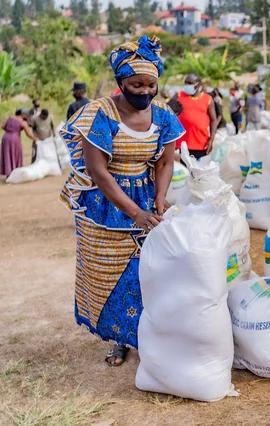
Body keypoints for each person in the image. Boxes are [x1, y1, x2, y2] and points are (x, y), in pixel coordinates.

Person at [59, 35, 185, 366]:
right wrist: (135, 213)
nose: (144, 91)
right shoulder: (100, 113)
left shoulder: (162, 115)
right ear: (120, 82)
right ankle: (120, 338)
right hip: (105, 204)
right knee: (112, 275)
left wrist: (159, 195)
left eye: (150, 85)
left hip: (146, 194)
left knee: (151, 271)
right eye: (136, 84)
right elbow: (98, 172)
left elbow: (166, 161)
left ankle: (150, 336)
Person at [173, 73, 218, 159]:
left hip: (201, 143)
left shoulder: (207, 99)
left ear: (198, 85)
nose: (187, 86)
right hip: (183, 144)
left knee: (199, 170)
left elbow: (214, 120)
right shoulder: (179, 96)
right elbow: (169, 113)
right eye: (186, 83)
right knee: (184, 171)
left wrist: (211, 140)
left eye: (190, 83)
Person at [1, 109, 35, 176]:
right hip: (14, 139)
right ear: (23, 115)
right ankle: (14, 174)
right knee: (15, 155)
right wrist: (35, 138)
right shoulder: (23, 122)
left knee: (7, 155)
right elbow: (28, 134)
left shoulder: (9, 118)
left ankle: (8, 173)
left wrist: (9, 130)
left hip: (5, 138)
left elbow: (2, 126)